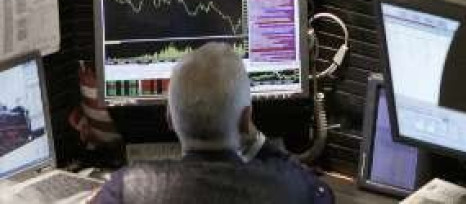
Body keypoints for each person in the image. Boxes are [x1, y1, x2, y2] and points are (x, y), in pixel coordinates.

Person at [94, 42, 334, 203]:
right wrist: (260, 142)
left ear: (169, 118)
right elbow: (320, 190)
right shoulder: (294, 189)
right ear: (246, 120)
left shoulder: (126, 189)